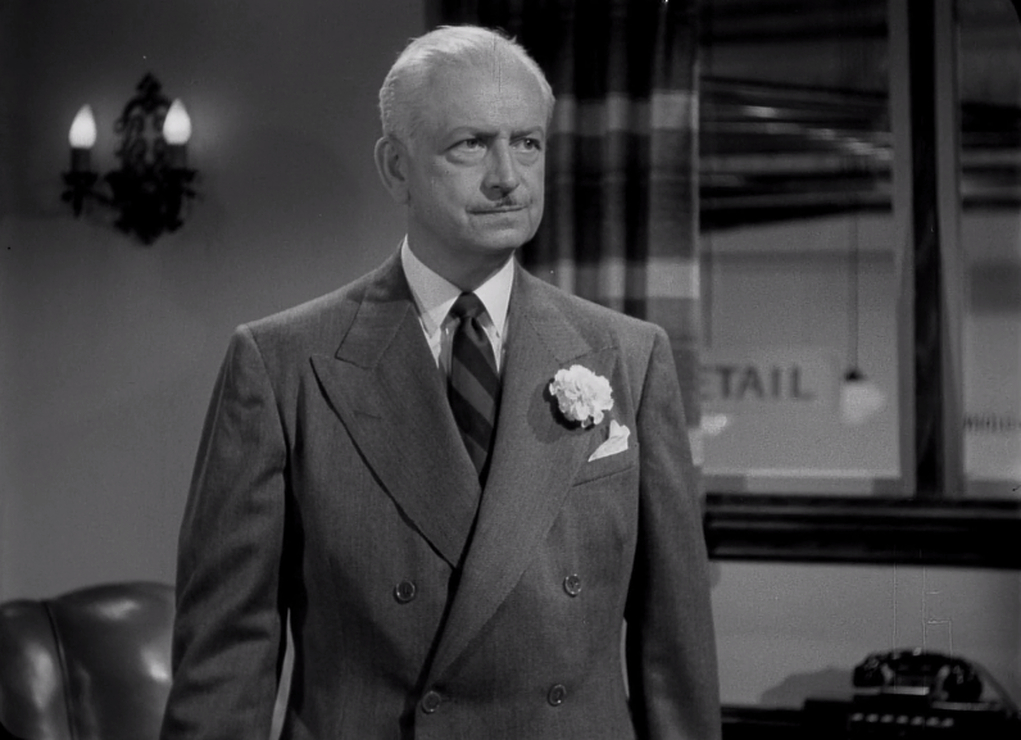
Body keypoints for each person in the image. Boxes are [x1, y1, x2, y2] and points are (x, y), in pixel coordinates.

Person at [160, 25, 721, 740]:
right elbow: (226, 660)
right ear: (395, 167)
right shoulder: (282, 364)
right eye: (471, 145)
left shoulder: (629, 357)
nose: (507, 176)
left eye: (527, 143)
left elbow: (675, 656)